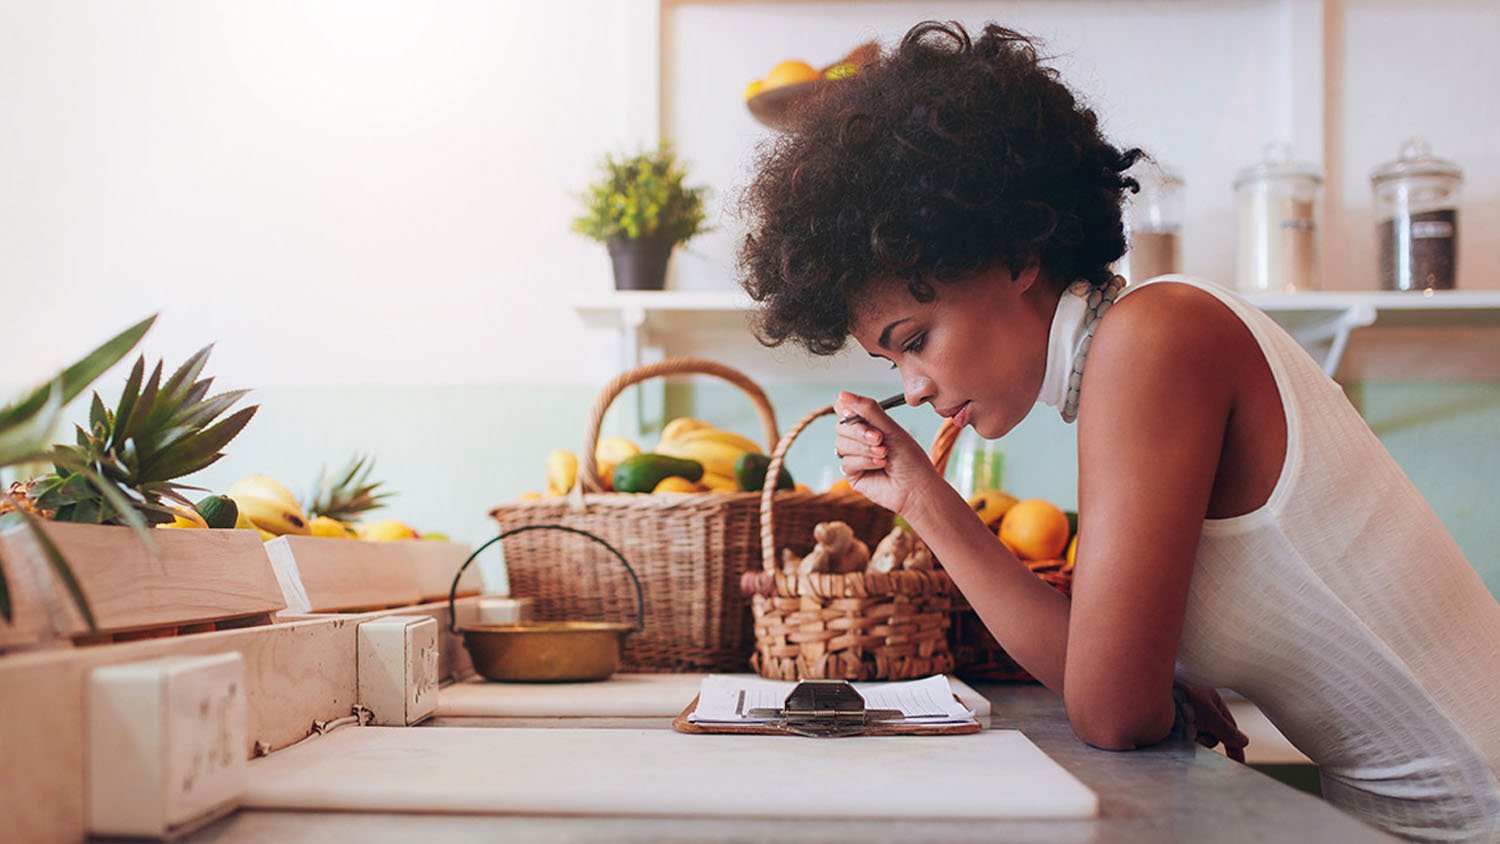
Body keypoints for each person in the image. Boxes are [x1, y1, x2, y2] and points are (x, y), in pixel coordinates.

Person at [737, 20, 1500, 843]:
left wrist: (1139, 685)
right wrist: (921, 497)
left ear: (1016, 258)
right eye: (893, 366)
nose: (915, 390)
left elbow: (1109, 710)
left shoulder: (1155, 339)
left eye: (915, 341)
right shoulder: (1127, 354)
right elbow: (1112, 681)